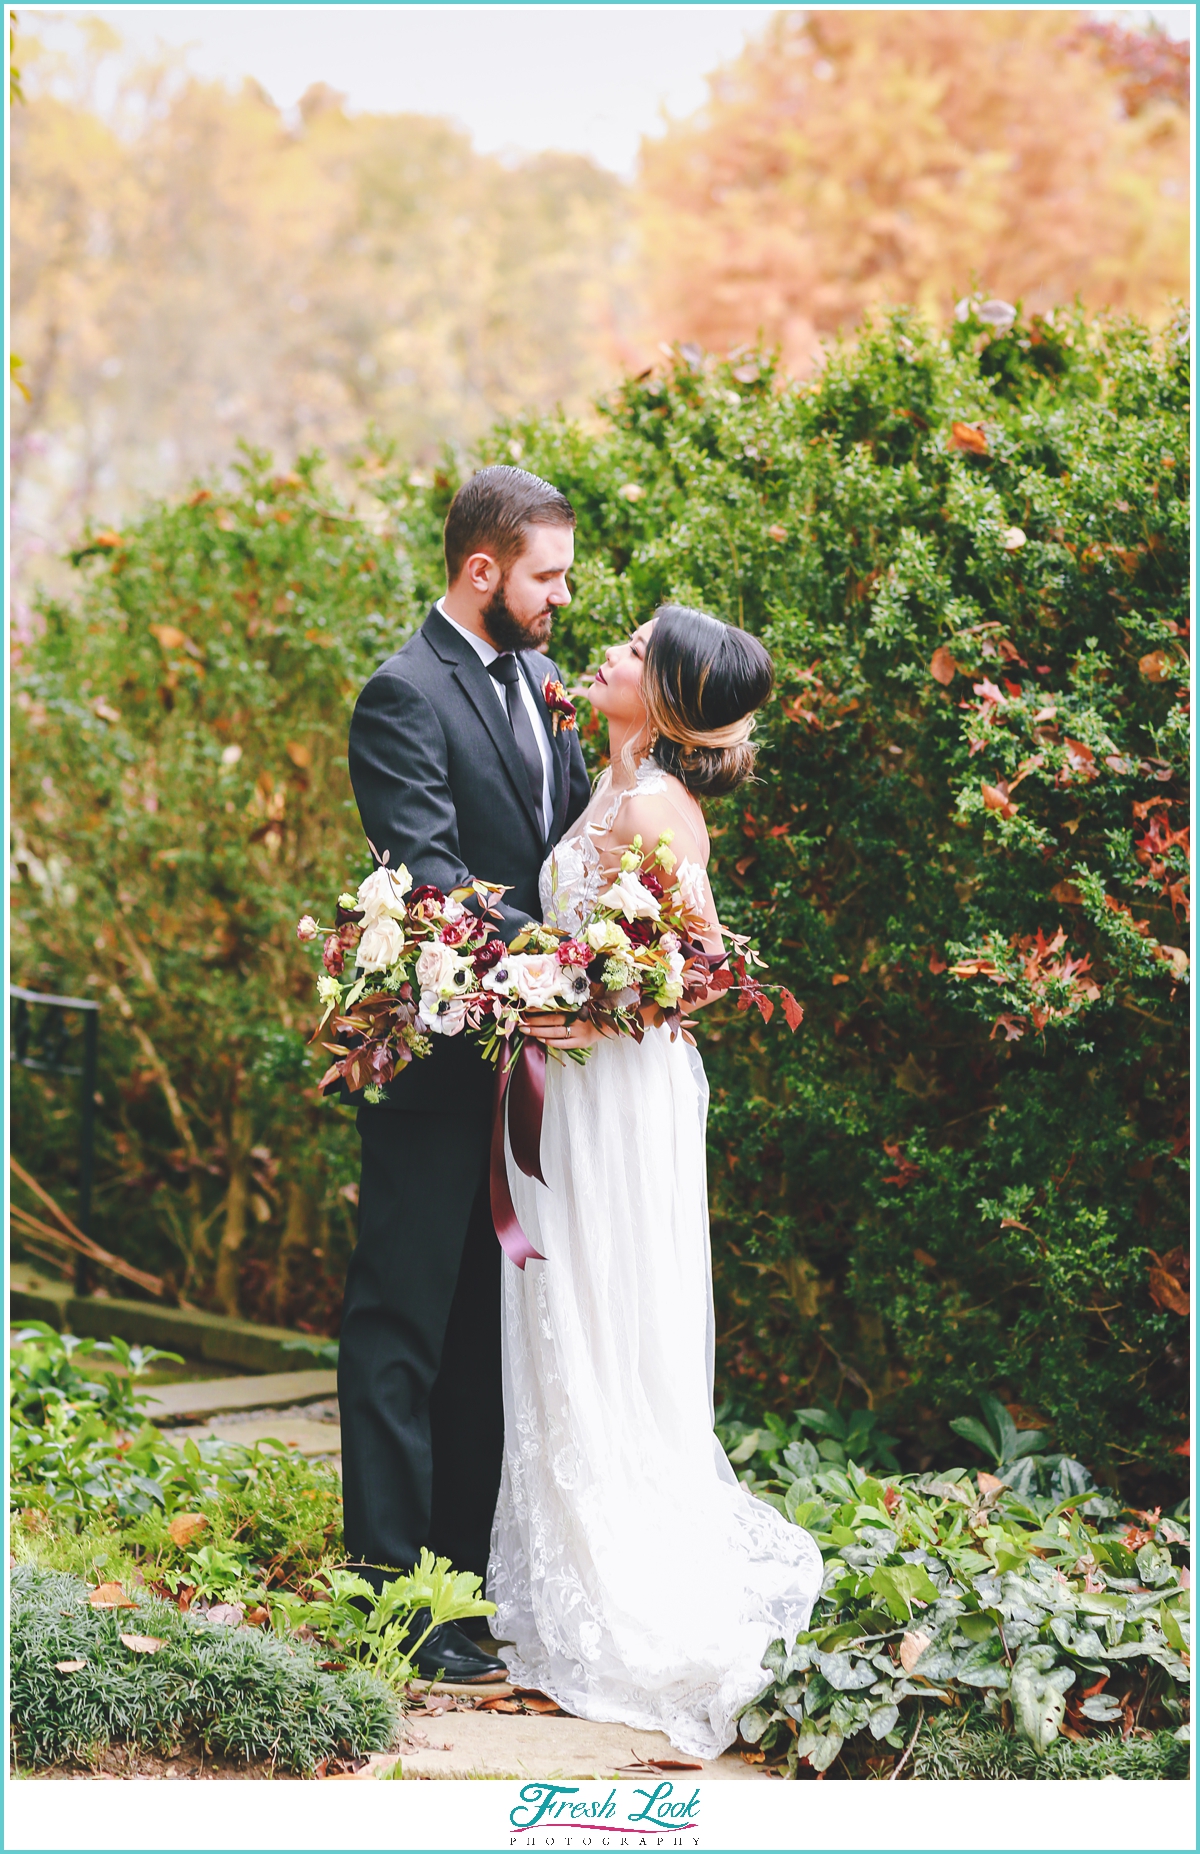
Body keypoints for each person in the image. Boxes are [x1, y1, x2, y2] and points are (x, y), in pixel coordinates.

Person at [488, 605, 823, 1757]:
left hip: (616, 1096)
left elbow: (697, 970)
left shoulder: (656, 806)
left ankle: (628, 1577)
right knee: (563, 1307)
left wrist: (568, 997)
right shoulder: (608, 784)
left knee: (606, 1307)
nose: (610, 655)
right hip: (573, 1085)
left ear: (668, 695)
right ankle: (569, 1563)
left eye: (633, 650)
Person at [341, 465, 591, 1682]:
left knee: (489, 1338)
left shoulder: (546, 683)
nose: (561, 597)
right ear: (481, 570)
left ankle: (463, 1594)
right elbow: (436, 879)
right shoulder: (401, 694)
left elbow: (571, 847)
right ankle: (393, 1599)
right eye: (544, 575)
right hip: (439, 1060)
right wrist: (558, 977)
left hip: (535, 1072)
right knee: (402, 1322)